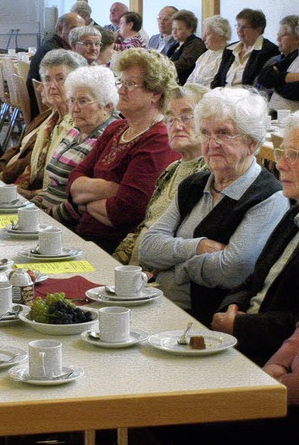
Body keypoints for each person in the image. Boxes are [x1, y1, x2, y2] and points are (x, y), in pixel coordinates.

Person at [139, 87, 288, 326]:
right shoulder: (195, 184)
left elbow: (234, 269)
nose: (212, 143)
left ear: (251, 142)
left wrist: (173, 269)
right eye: (206, 133)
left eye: (223, 133)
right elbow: (147, 247)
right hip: (160, 303)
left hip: (203, 321)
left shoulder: (269, 197)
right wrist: (199, 247)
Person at [64, 48, 181, 254]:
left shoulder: (159, 138)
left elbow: (127, 211)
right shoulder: (116, 128)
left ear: (155, 93)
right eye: (121, 82)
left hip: (111, 248)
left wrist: (85, 203)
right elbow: (73, 180)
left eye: (130, 84)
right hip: (81, 234)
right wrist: (113, 189)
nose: (121, 90)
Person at [209, 112, 299, 366]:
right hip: (241, 338)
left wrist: (242, 325)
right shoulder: (294, 213)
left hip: (271, 357)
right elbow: (255, 279)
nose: (280, 164)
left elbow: (295, 324)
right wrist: (232, 308)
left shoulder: (274, 200)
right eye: (284, 153)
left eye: (295, 156)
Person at [113, 84, 209, 267]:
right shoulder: (172, 168)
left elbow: (185, 241)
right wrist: (115, 265)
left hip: (161, 276)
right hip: (134, 270)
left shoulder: (208, 175)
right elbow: (144, 226)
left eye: (187, 117)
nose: (177, 126)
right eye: (170, 119)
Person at [31, 65, 117, 216]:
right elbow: (54, 185)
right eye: (71, 100)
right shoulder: (75, 130)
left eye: (83, 101)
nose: (74, 109)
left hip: (65, 225)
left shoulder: (107, 139)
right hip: (45, 214)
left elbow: (83, 205)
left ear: (107, 107)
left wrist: (45, 215)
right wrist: (32, 207)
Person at [13, 50, 87, 198]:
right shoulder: (51, 117)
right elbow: (32, 169)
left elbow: (66, 186)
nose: (52, 86)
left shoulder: (81, 124)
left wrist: (29, 195)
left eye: (60, 79)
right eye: (47, 79)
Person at [26, 12, 86, 119]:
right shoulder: (53, 53)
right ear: (60, 29)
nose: (79, 35)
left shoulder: (55, 46)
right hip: (47, 110)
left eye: (82, 31)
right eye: (74, 29)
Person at [211, 8, 279, 88]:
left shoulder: (268, 51)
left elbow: (261, 84)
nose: (239, 30)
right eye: (238, 25)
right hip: (222, 95)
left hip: (247, 98)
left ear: (258, 30)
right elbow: (218, 79)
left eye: (244, 27)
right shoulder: (230, 49)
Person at [258, 15, 299, 113]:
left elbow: (295, 91)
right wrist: (286, 79)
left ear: (297, 38)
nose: (278, 39)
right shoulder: (288, 57)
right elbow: (264, 76)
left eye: (283, 36)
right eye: (278, 35)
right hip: (272, 111)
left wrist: (275, 82)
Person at [186, 15, 231, 87]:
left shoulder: (228, 56)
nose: (203, 39)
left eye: (207, 34)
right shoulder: (204, 55)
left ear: (220, 35)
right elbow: (191, 80)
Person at [166, 10, 206, 84]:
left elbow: (183, 64)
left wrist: (162, 67)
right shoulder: (175, 46)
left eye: (178, 29)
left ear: (190, 28)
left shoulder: (196, 44)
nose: (174, 32)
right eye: (173, 29)